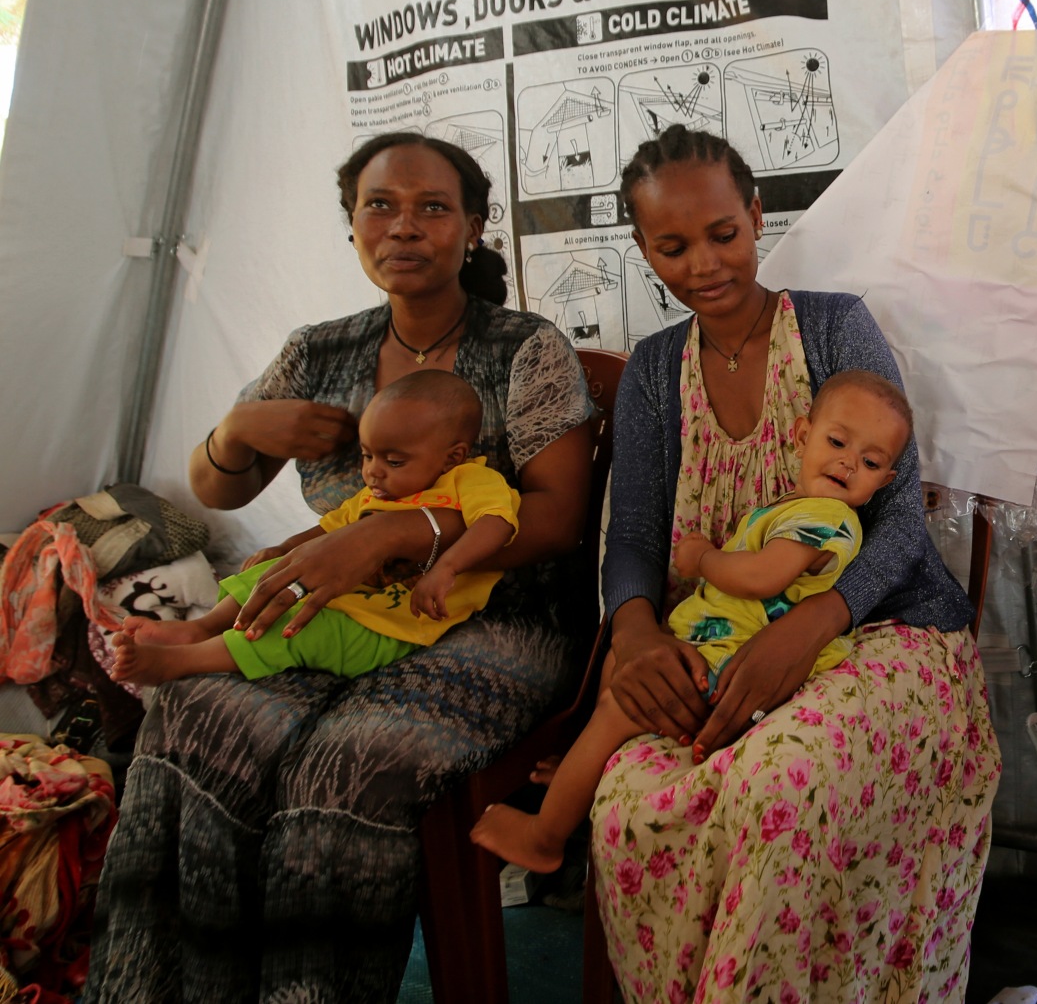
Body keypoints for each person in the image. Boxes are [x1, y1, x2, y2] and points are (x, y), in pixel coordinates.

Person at [87, 132, 594, 1004]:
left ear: (473, 227)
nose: (404, 226)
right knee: (197, 711)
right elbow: (221, 484)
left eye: (433, 207)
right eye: (380, 206)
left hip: (497, 618)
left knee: (345, 760)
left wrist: (393, 532)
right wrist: (241, 429)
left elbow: (556, 516)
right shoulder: (320, 352)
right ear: (352, 224)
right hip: (344, 613)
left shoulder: (524, 347)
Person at [586, 125, 1000, 1001]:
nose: (703, 262)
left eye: (723, 233)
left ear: (758, 217)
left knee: (781, 783)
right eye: (673, 245)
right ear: (643, 250)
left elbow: (898, 521)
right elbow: (634, 534)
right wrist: (632, 629)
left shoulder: (832, 325)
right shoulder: (656, 371)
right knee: (627, 799)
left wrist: (813, 621)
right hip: (724, 637)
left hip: (882, 634)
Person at [468, 369, 912, 872]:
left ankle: (544, 837)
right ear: (801, 435)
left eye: (871, 462)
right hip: (713, 639)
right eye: (836, 442)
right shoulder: (798, 507)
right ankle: (582, 764)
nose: (848, 463)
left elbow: (765, 577)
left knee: (620, 705)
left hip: (735, 662)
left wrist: (703, 559)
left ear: (884, 482)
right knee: (620, 656)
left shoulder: (827, 518)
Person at [108, 370, 520, 686]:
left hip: (392, 627)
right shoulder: (377, 495)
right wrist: (287, 548)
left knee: (297, 629)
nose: (373, 472)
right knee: (273, 573)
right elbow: (330, 529)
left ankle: (176, 663)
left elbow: (497, 523)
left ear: (452, 457)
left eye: (393, 461)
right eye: (366, 455)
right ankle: (201, 627)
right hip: (345, 598)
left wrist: (447, 568)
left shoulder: (470, 481)